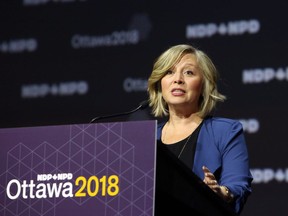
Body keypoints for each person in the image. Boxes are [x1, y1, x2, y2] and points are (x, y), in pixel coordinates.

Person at [147, 44, 253, 215]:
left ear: (204, 85)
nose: (178, 79)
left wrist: (221, 192)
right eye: (169, 72)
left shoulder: (226, 131)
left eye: (188, 72)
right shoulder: (146, 138)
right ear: (160, 83)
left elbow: (238, 185)